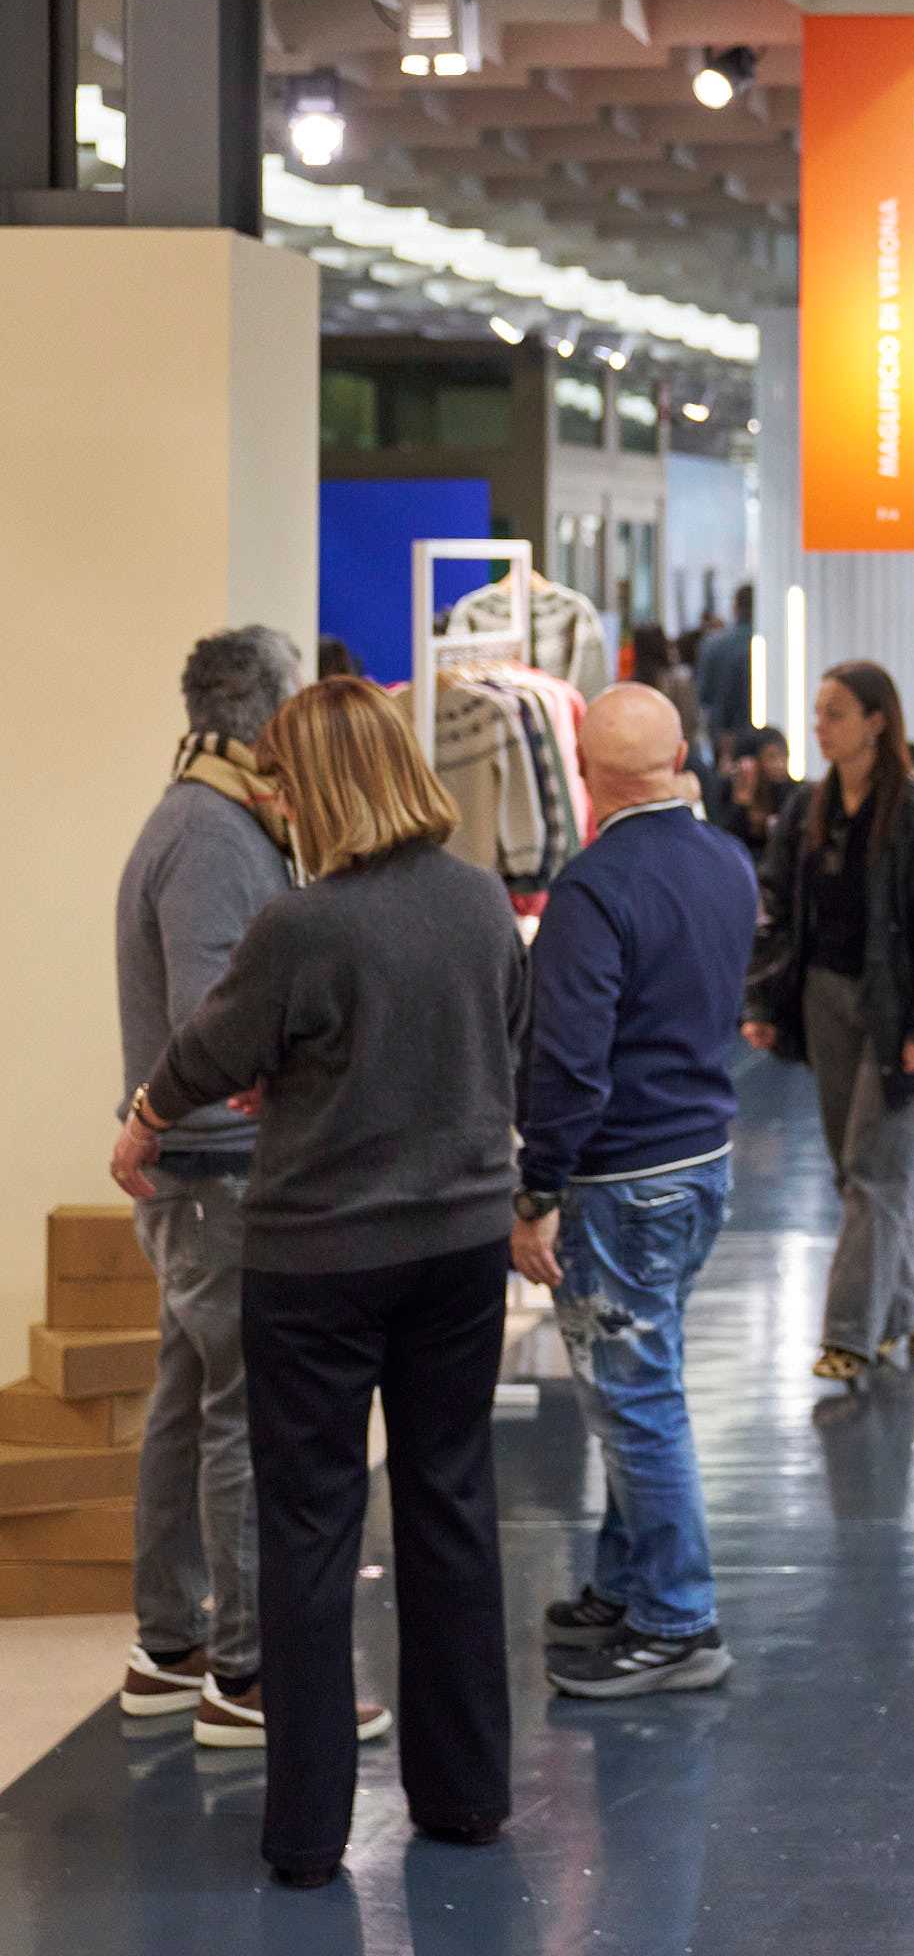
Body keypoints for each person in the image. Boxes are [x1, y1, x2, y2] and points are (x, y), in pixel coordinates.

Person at [109, 677, 524, 1885]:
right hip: (459, 1247)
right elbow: (501, 1039)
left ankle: (305, 1831)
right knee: (451, 1506)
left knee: (309, 1529)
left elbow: (209, 1045)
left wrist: (146, 1117)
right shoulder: (480, 899)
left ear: (324, 788)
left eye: (287, 782)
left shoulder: (303, 923)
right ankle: (467, 1794)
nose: (279, 804)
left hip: (320, 1260)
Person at [511, 685, 759, 1699]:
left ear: (583, 769)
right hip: (700, 1159)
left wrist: (536, 1188)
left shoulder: (592, 890)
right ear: (679, 757)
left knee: (636, 1398)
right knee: (640, 1382)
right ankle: (626, 1583)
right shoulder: (727, 861)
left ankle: (677, 1619)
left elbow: (569, 1061)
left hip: (621, 1179)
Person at [108, 626, 303, 1730]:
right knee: (240, 1412)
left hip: (196, 1171)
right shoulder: (213, 834)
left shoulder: (197, 819)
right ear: (266, 715)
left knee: (187, 1404)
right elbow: (213, 1023)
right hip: (215, 1173)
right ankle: (245, 1669)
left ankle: (172, 1644)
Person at [740, 661, 914, 1387]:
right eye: (818, 712)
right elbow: (777, 909)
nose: (820, 726)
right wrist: (764, 1004)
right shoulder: (807, 811)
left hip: (894, 1011)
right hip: (825, 1002)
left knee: (875, 1172)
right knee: (857, 1171)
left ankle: (848, 1334)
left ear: (877, 721)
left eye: (836, 713)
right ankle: (902, 1309)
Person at [695, 585, 754, 759]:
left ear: (735, 607)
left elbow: (703, 694)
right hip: (763, 734)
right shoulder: (771, 642)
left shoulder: (713, 644)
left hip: (722, 734)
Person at [714, 726, 791, 855]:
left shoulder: (793, 793)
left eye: (784, 756)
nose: (780, 764)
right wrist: (742, 799)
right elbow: (723, 843)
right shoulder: (725, 791)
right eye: (772, 757)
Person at [631, 624, 702, 756]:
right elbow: (690, 721)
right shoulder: (679, 681)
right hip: (675, 752)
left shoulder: (630, 687)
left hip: (641, 755)